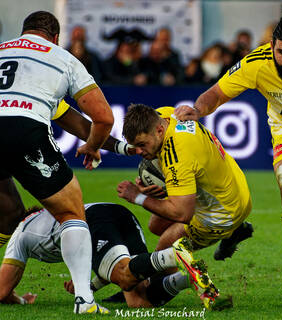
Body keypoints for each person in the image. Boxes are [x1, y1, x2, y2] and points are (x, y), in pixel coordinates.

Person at [174, 14, 282, 307]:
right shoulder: (258, 63)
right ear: (272, 46)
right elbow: (216, 93)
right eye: (281, 52)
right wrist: (199, 110)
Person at [0, 11, 114, 314]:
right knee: (71, 212)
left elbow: (67, 115)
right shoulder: (61, 57)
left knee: (9, 214)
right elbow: (103, 117)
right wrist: (92, 147)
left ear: (23, 33)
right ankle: (84, 300)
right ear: (55, 37)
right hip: (24, 130)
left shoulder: (3, 49)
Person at [0, 203, 222, 311]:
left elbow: (1, 291)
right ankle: (190, 279)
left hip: (94, 220)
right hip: (118, 213)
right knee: (138, 300)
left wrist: (21, 300)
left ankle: (175, 254)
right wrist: (91, 287)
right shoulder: (47, 219)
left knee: (125, 276)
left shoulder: (20, 233)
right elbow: (110, 264)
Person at [117, 104, 253, 271]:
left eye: (142, 145)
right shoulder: (166, 114)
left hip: (222, 214)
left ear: (159, 131)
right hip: (235, 187)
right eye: (134, 145)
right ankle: (235, 232)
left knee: (163, 255)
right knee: (155, 225)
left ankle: (150, 295)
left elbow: (182, 213)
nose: (138, 151)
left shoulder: (177, 153)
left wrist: (137, 197)